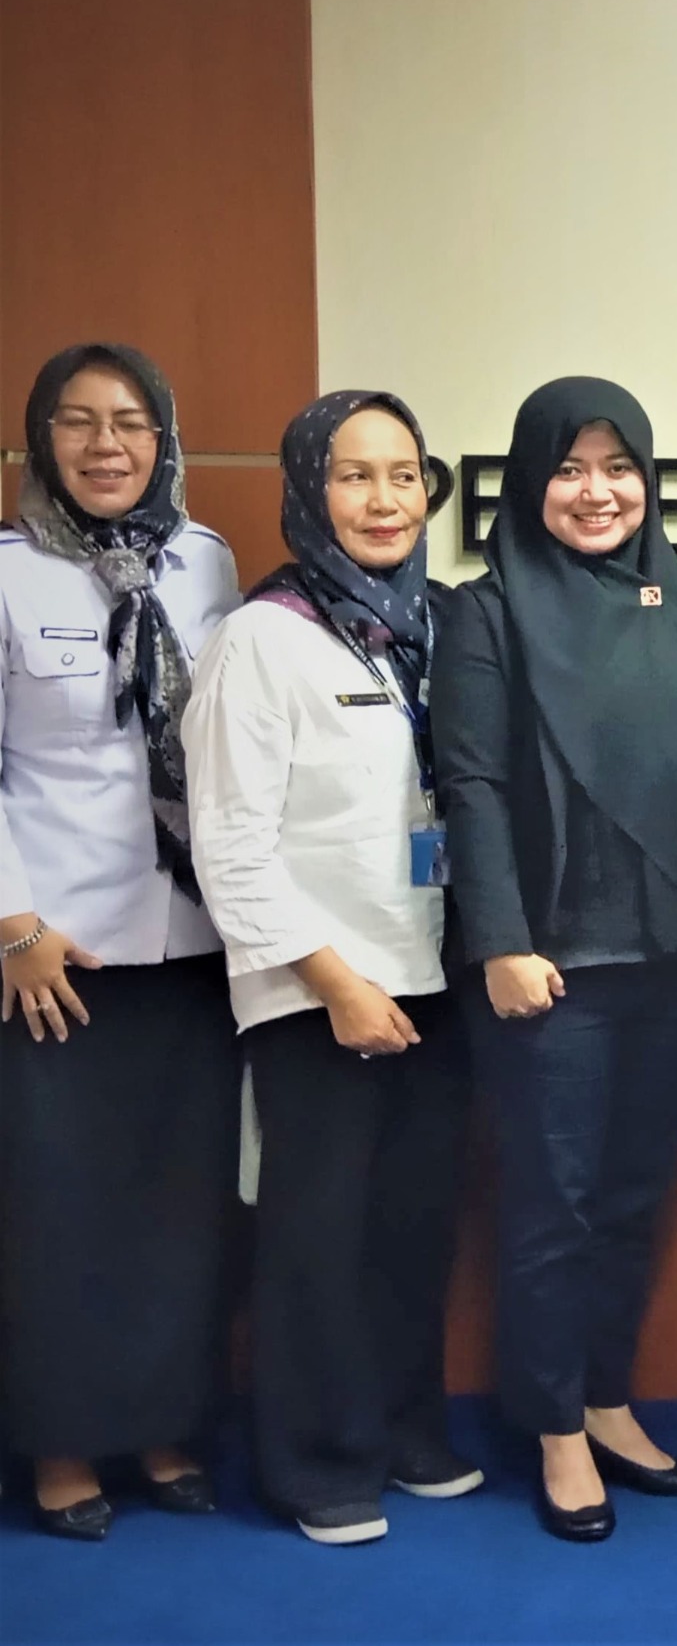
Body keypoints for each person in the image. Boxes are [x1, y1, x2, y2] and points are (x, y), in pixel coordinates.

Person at [436, 378, 677, 1544]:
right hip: (552, 968)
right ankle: (554, 1426)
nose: (596, 491)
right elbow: (472, 783)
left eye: (619, 467)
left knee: (631, 1195)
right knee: (554, 1206)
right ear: (530, 480)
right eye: (569, 468)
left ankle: (605, 1396)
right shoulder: (486, 612)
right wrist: (501, 938)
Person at [182, 391, 480, 1545]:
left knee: (412, 1224)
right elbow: (229, 839)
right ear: (309, 490)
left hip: (432, 974)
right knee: (317, 1235)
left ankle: (404, 1429)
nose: (384, 499)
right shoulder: (264, 636)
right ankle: (314, 1459)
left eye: (404, 475)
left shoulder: (436, 626)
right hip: (317, 987)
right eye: (355, 476)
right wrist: (336, 979)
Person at [1, 344, 238, 1539]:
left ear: (163, 438)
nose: (108, 445)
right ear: (40, 438)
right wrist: (13, 924)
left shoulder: (206, 561)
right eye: (79, 421)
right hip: (60, 954)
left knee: (180, 1205)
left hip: (193, 941)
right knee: (60, 1210)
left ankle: (162, 1424)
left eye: (133, 421)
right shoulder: (6, 571)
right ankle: (62, 1443)